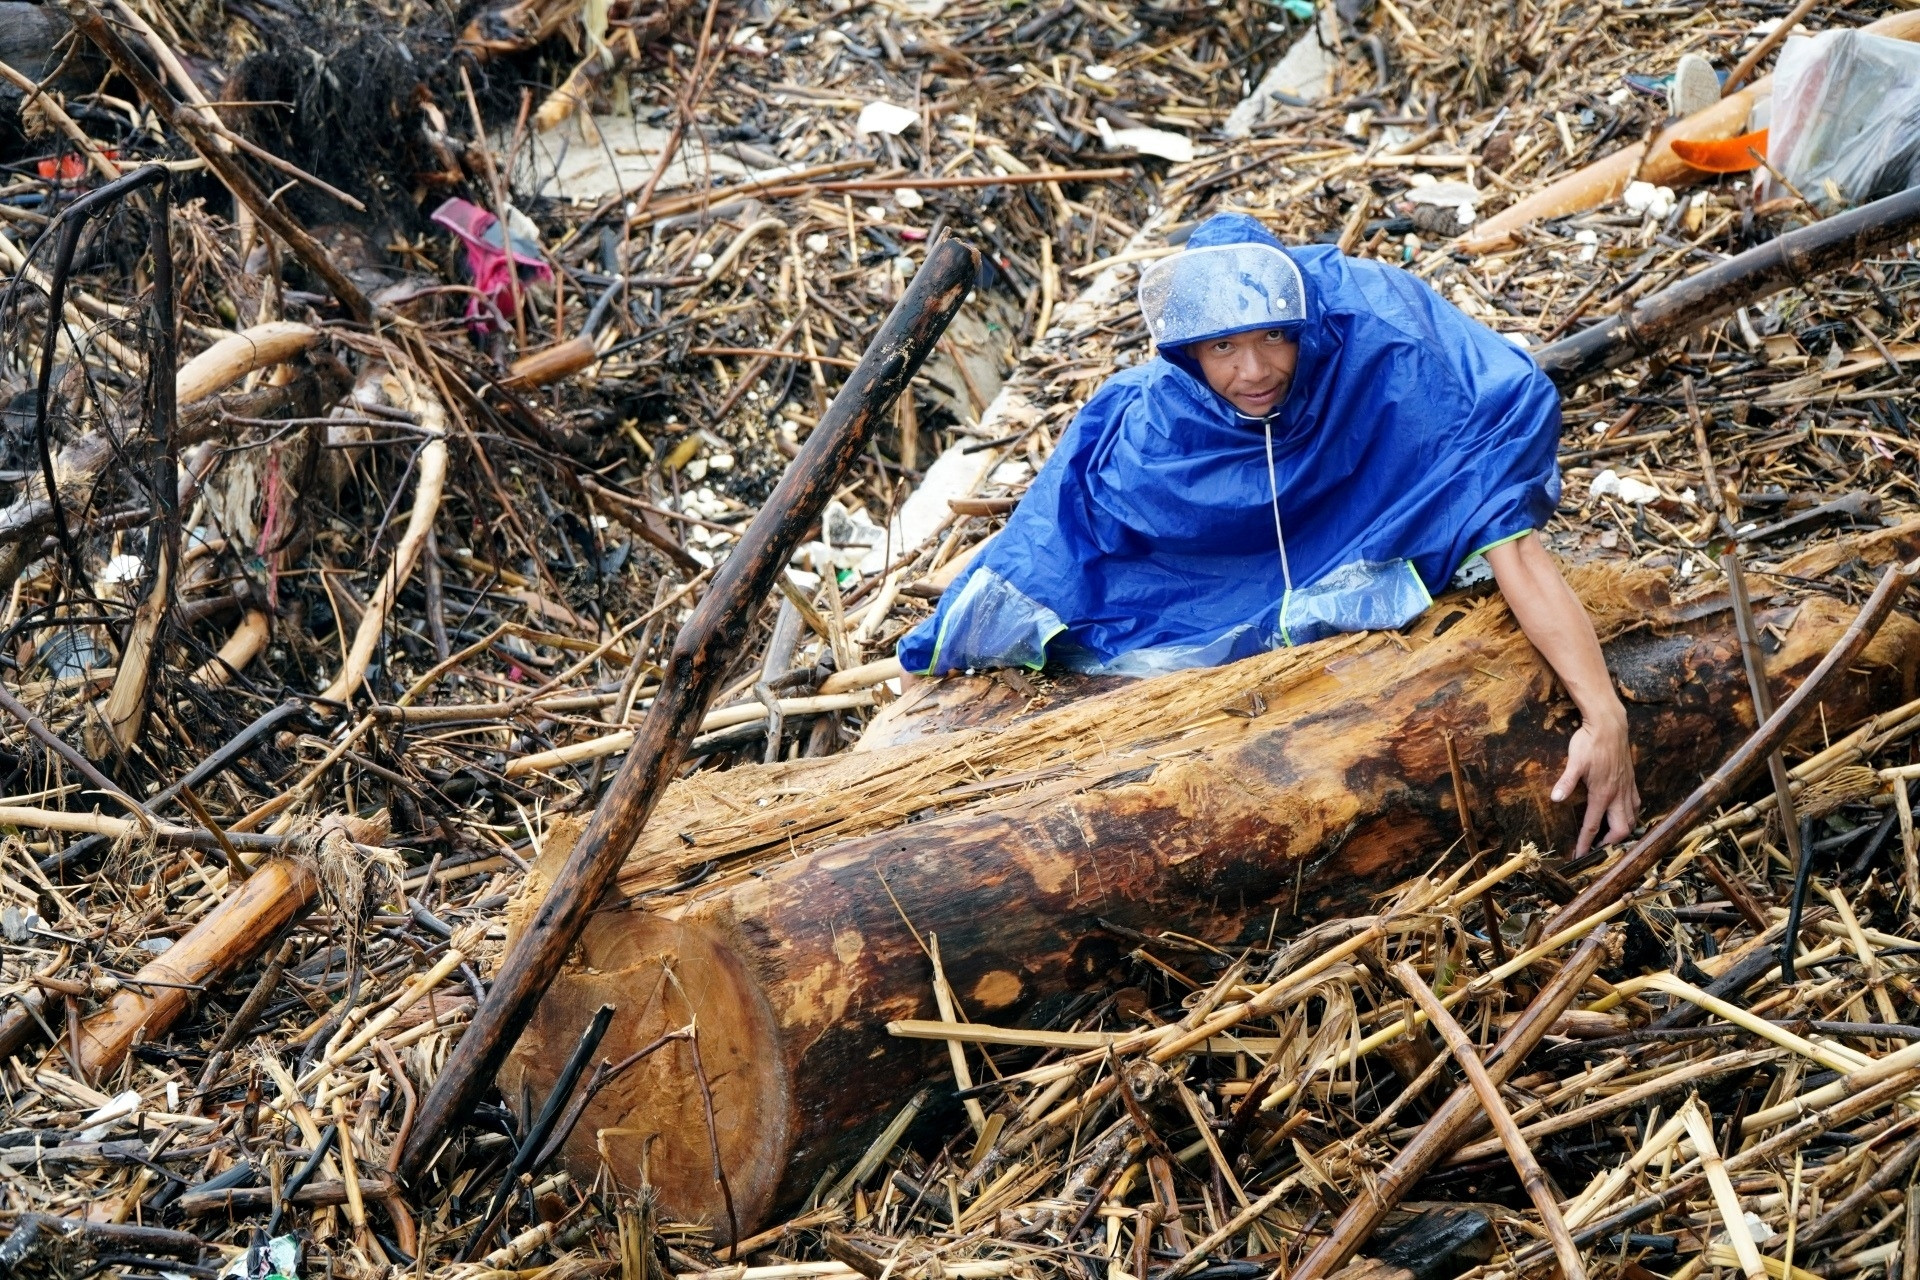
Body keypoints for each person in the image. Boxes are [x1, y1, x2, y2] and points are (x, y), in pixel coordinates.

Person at [896, 212, 1640, 858]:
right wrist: (956, 642)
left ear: (1304, 327)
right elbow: (1054, 541)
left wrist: (1603, 714)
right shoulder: (1152, 426)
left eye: (1273, 339)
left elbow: (1502, 524)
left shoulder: (1384, 351)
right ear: (1186, 352)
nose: (1253, 371)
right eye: (1222, 349)